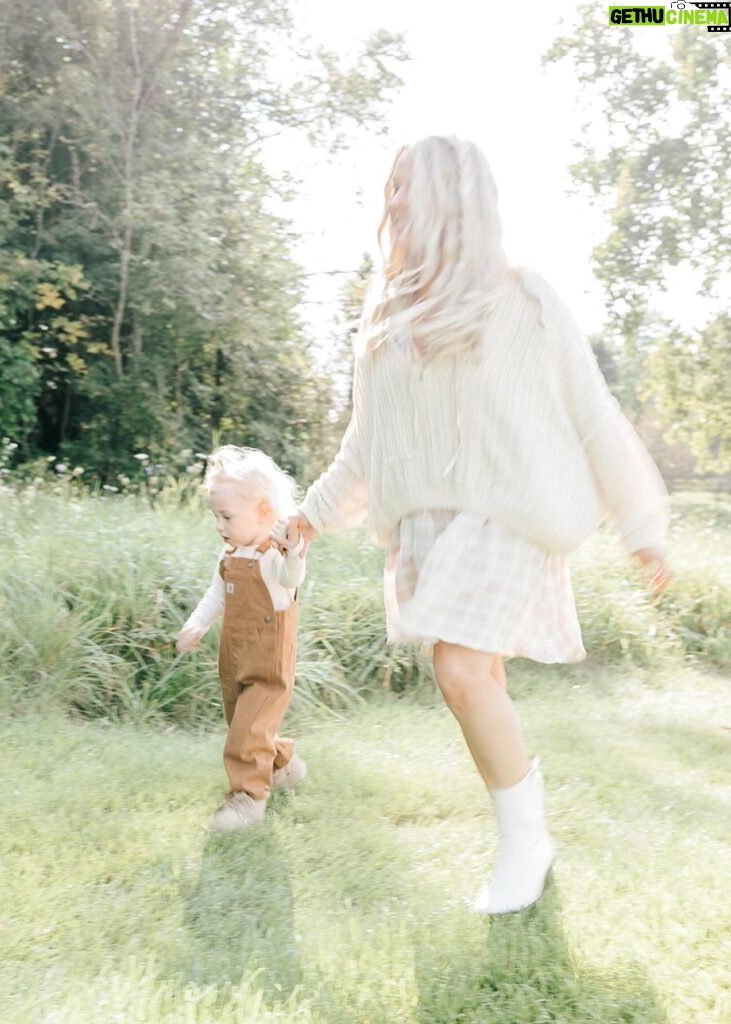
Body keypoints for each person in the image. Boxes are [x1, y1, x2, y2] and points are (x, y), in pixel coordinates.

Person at [287, 135, 669, 914]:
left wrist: (641, 523)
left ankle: (522, 844)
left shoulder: (525, 299)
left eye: (406, 187)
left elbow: (592, 415)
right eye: (388, 188)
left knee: (459, 670)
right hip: (429, 524)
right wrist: (310, 516)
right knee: (476, 680)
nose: (391, 202)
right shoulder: (386, 316)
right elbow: (367, 441)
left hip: (511, 518)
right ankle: (530, 833)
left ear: (453, 197)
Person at [177, 445, 308, 832]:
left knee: (248, 730)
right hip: (234, 658)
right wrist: (196, 623)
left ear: (263, 512)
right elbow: (216, 595)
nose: (220, 524)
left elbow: (290, 580)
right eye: (216, 516)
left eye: (227, 516)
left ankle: (248, 800)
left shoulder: (275, 556)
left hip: (268, 661)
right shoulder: (230, 554)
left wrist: (296, 555)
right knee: (243, 724)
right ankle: (283, 764)